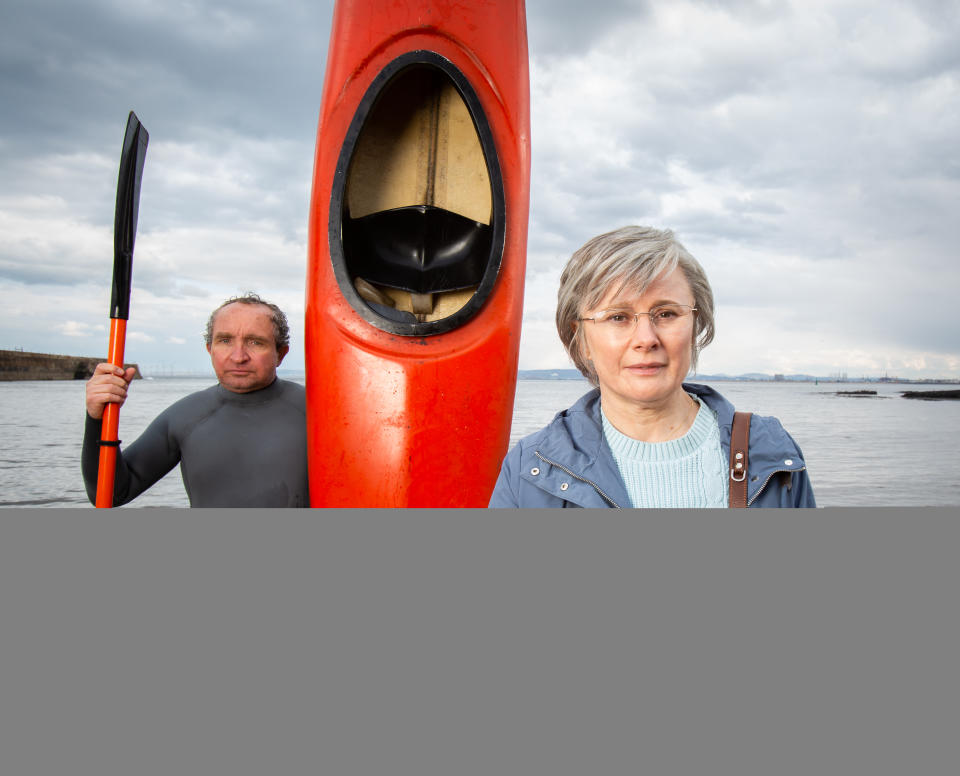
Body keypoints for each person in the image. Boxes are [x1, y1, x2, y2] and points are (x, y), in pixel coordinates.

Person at [489, 226, 815, 508]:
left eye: (667, 314)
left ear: (696, 324)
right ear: (582, 339)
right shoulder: (531, 468)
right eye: (618, 317)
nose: (646, 339)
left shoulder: (770, 451)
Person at [82, 293, 309, 507]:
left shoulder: (316, 413)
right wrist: (97, 418)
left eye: (255, 342)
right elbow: (111, 493)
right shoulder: (185, 416)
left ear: (281, 353)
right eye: (225, 340)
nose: (238, 356)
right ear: (210, 349)